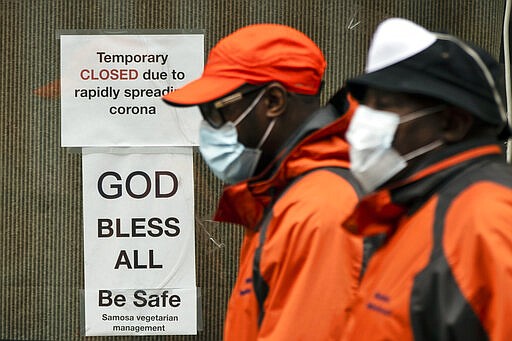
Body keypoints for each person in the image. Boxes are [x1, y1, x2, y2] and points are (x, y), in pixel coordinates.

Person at [162, 24, 365, 340]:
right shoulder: (284, 194)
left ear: (273, 101)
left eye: (216, 111)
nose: (210, 128)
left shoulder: (320, 209)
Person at [341, 18, 512, 341]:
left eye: (385, 108)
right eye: (368, 107)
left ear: (452, 123)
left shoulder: (489, 218)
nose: (362, 124)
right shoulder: (411, 213)